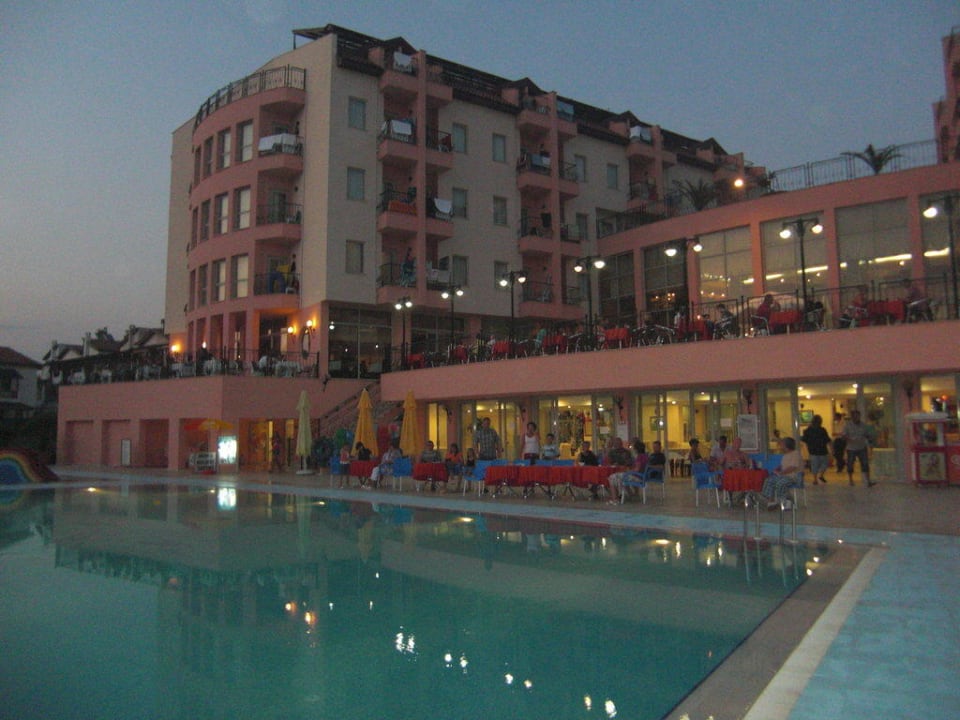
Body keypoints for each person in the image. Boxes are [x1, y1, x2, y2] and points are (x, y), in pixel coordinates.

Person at [761, 437, 804, 508]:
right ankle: (771, 501)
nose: (780, 446)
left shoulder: (796, 454)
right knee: (769, 480)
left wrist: (781, 473)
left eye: (782, 444)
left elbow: (793, 467)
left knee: (780, 483)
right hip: (784, 476)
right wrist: (777, 469)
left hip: (794, 477)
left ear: (786, 445)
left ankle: (786, 501)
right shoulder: (785, 455)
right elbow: (782, 465)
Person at [842, 409, 875, 487]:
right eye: (855, 416)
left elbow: (867, 434)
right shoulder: (847, 425)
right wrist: (848, 439)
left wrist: (870, 439)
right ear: (852, 417)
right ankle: (851, 480)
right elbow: (844, 436)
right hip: (851, 448)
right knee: (850, 464)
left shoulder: (863, 425)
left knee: (865, 464)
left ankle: (868, 480)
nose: (856, 418)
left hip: (861, 447)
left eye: (858, 416)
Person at [801, 414, 832, 484]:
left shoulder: (808, 430)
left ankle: (815, 479)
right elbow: (827, 440)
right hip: (822, 450)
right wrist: (831, 450)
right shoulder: (822, 430)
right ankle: (820, 476)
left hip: (813, 450)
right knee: (825, 464)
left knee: (814, 465)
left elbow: (804, 440)